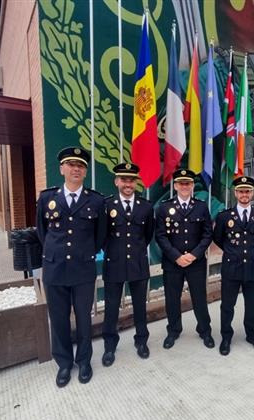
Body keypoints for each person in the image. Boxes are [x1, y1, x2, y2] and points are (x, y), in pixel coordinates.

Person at [36, 146, 106, 387]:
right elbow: (42, 233)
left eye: (81, 166)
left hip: (83, 269)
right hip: (54, 269)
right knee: (58, 319)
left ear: (85, 172)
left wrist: (83, 253)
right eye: (71, 164)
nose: (76, 168)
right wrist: (58, 254)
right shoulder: (47, 198)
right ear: (62, 169)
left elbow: (100, 236)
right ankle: (64, 364)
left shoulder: (96, 200)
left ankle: (84, 361)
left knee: (85, 319)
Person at [100, 163, 155, 367]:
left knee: (140, 306)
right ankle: (109, 346)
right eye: (124, 179)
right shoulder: (106, 205)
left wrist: (134, 252)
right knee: (111, 308)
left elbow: (147, 235)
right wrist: (115, 252)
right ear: (117, 182)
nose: (128, 183)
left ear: (136, 183)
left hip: (138, 263)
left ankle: (141, 341)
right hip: (113, 263)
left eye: (131, 180)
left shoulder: (146, 206)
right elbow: (102, 236)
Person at [155, 169, 214, 350]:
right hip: (173, 263)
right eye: (181, 183)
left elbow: (207, 234)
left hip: (196, 263)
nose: (184, 186)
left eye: (188, 183)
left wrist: (194, 254)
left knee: (199, 298)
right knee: (172, 299)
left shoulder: (201, 206)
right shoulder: (164, 207)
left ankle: (204, 330)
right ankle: (173, 330)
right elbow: (161, 236)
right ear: (175, 186)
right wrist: (177, 256)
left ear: (192, 186)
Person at [212, 176, 254, 356]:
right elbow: (218, 238)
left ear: (252, 193)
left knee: (252, 305)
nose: (244, 194)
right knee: (227, 306)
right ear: (235, 193)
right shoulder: (224, 217)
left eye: (248, 191)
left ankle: (252, 335)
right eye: (241, 191)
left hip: (253, 269)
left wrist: (251, 252)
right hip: (231, 269)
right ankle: (226, 337)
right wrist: (233, 252)